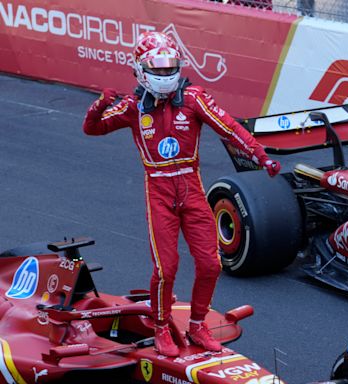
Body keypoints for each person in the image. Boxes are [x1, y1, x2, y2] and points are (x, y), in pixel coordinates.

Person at [82, 31, 280, 357]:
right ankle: (161, 328)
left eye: (168, 68)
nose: (164, 75)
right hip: (158, 190)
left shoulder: (194, 98)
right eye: (156, 69)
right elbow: (92, 128)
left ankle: (198, 325)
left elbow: (229, 127)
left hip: (191, 187)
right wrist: (100, 103)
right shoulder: (132, 107)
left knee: (210, 264)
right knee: (166, 269)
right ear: (141, 70)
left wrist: (261, 156)